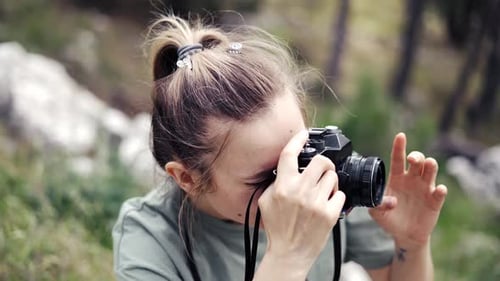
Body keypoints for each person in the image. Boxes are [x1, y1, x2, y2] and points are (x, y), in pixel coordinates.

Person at [112, 13, 448, 281]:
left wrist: (412, 244)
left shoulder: (323, 175)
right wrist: (289, 257)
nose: (296, 183)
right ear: (187, 178)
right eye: (268, 176)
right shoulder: (150, 241)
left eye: (301, 153)